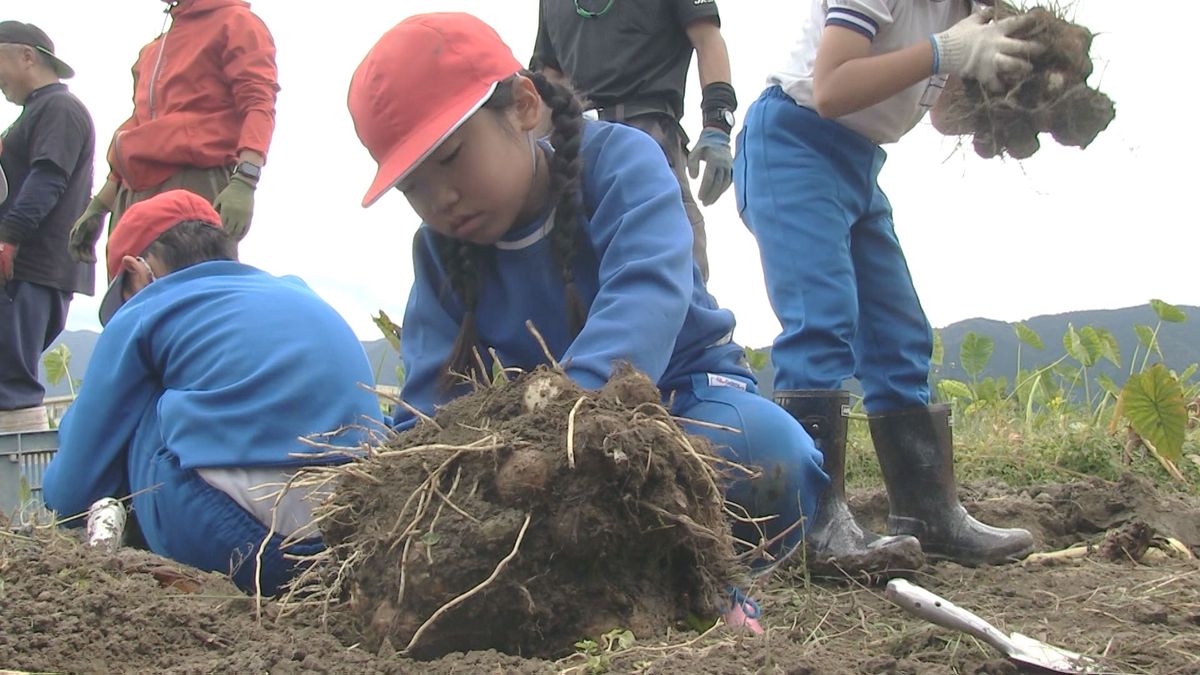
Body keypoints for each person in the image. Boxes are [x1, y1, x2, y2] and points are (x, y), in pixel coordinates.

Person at [348, 12, 830, 633]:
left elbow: (646, 293)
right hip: (542, 455)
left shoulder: (624, 161)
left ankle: (705, 575)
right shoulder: (440, 249)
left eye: (452, 158)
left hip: (680, 401)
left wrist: (565, 423)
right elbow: (431, 395)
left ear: (523, 106)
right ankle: (592, 594)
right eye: (414, 186)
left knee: (770, 457)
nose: (440, 199)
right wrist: (405, 482)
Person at [733, 1, 1041, 572]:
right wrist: (945, 51)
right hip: (794, 141)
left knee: (900, 336)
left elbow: (936, 111)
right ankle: (810, 524)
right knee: (821, 323)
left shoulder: (964, 8)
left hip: (857, 158)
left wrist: (998, 95)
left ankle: (929, 514)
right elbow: (831, 88)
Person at [42, 190, 382, 594]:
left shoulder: (149, 306)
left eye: (120, 297)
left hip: (244, 549)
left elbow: (69, 494)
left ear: (135, 271)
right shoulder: (296, 291)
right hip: (358, 539)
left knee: (144, 407)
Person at [531, 0, 736, 281]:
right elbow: (550, 74)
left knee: (672, 269)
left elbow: (707, 38)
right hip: (576, 142)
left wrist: (717, 125)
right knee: (577, 272)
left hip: (649, 132)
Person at [67, 0, 279, 263]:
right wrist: (100, 206)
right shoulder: (153, 50)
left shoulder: (236, 22)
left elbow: (258, 102)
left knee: (187, 291)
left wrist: (246, 180)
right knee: (130, 294)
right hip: (132, 193)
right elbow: (139, 122)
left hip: (193, 180)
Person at [0, 22, 95, 425]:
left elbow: (48, 178)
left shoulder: (59, 108)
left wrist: (8, 238)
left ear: (27, 56)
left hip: (32, 266)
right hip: (26, 267)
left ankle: (16, 484)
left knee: (11, 383)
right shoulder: (35, 113)